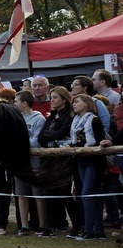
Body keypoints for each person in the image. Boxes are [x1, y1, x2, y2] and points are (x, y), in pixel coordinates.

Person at [37, 86, 80, 237]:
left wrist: (51, 135)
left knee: (64, 192)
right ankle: (51, 226)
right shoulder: (52, 116)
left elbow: (63, 133)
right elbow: (40, 136)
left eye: (55, 97)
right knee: (49, 192)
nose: (52, 100)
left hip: (63, 159)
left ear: (63, 98)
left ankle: (77, 226)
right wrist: (52, 135)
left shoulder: (69, 115)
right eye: (51, 97)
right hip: (49, 159)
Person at [13, 90, 50, 236]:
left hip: (35, 162)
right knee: (21, 194)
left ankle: (42, 225)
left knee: (37, 195)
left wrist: (19, 145)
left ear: (24, 103)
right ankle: (24, 225)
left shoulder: (38, 119)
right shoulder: (15, 118)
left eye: (16, 101)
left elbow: (36, 141)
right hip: (19, 163)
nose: (14, 104)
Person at [70, 94, 107, 241]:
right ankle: (98, 230)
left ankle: (89, 229)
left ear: (86, 104)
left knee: (88, 194)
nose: (74, 104)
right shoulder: (75, 121)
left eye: (77, 101)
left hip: (93, 161)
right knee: (93, 196)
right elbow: (76, 141)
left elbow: (97, 142)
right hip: (81, 161)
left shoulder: (94, 120)